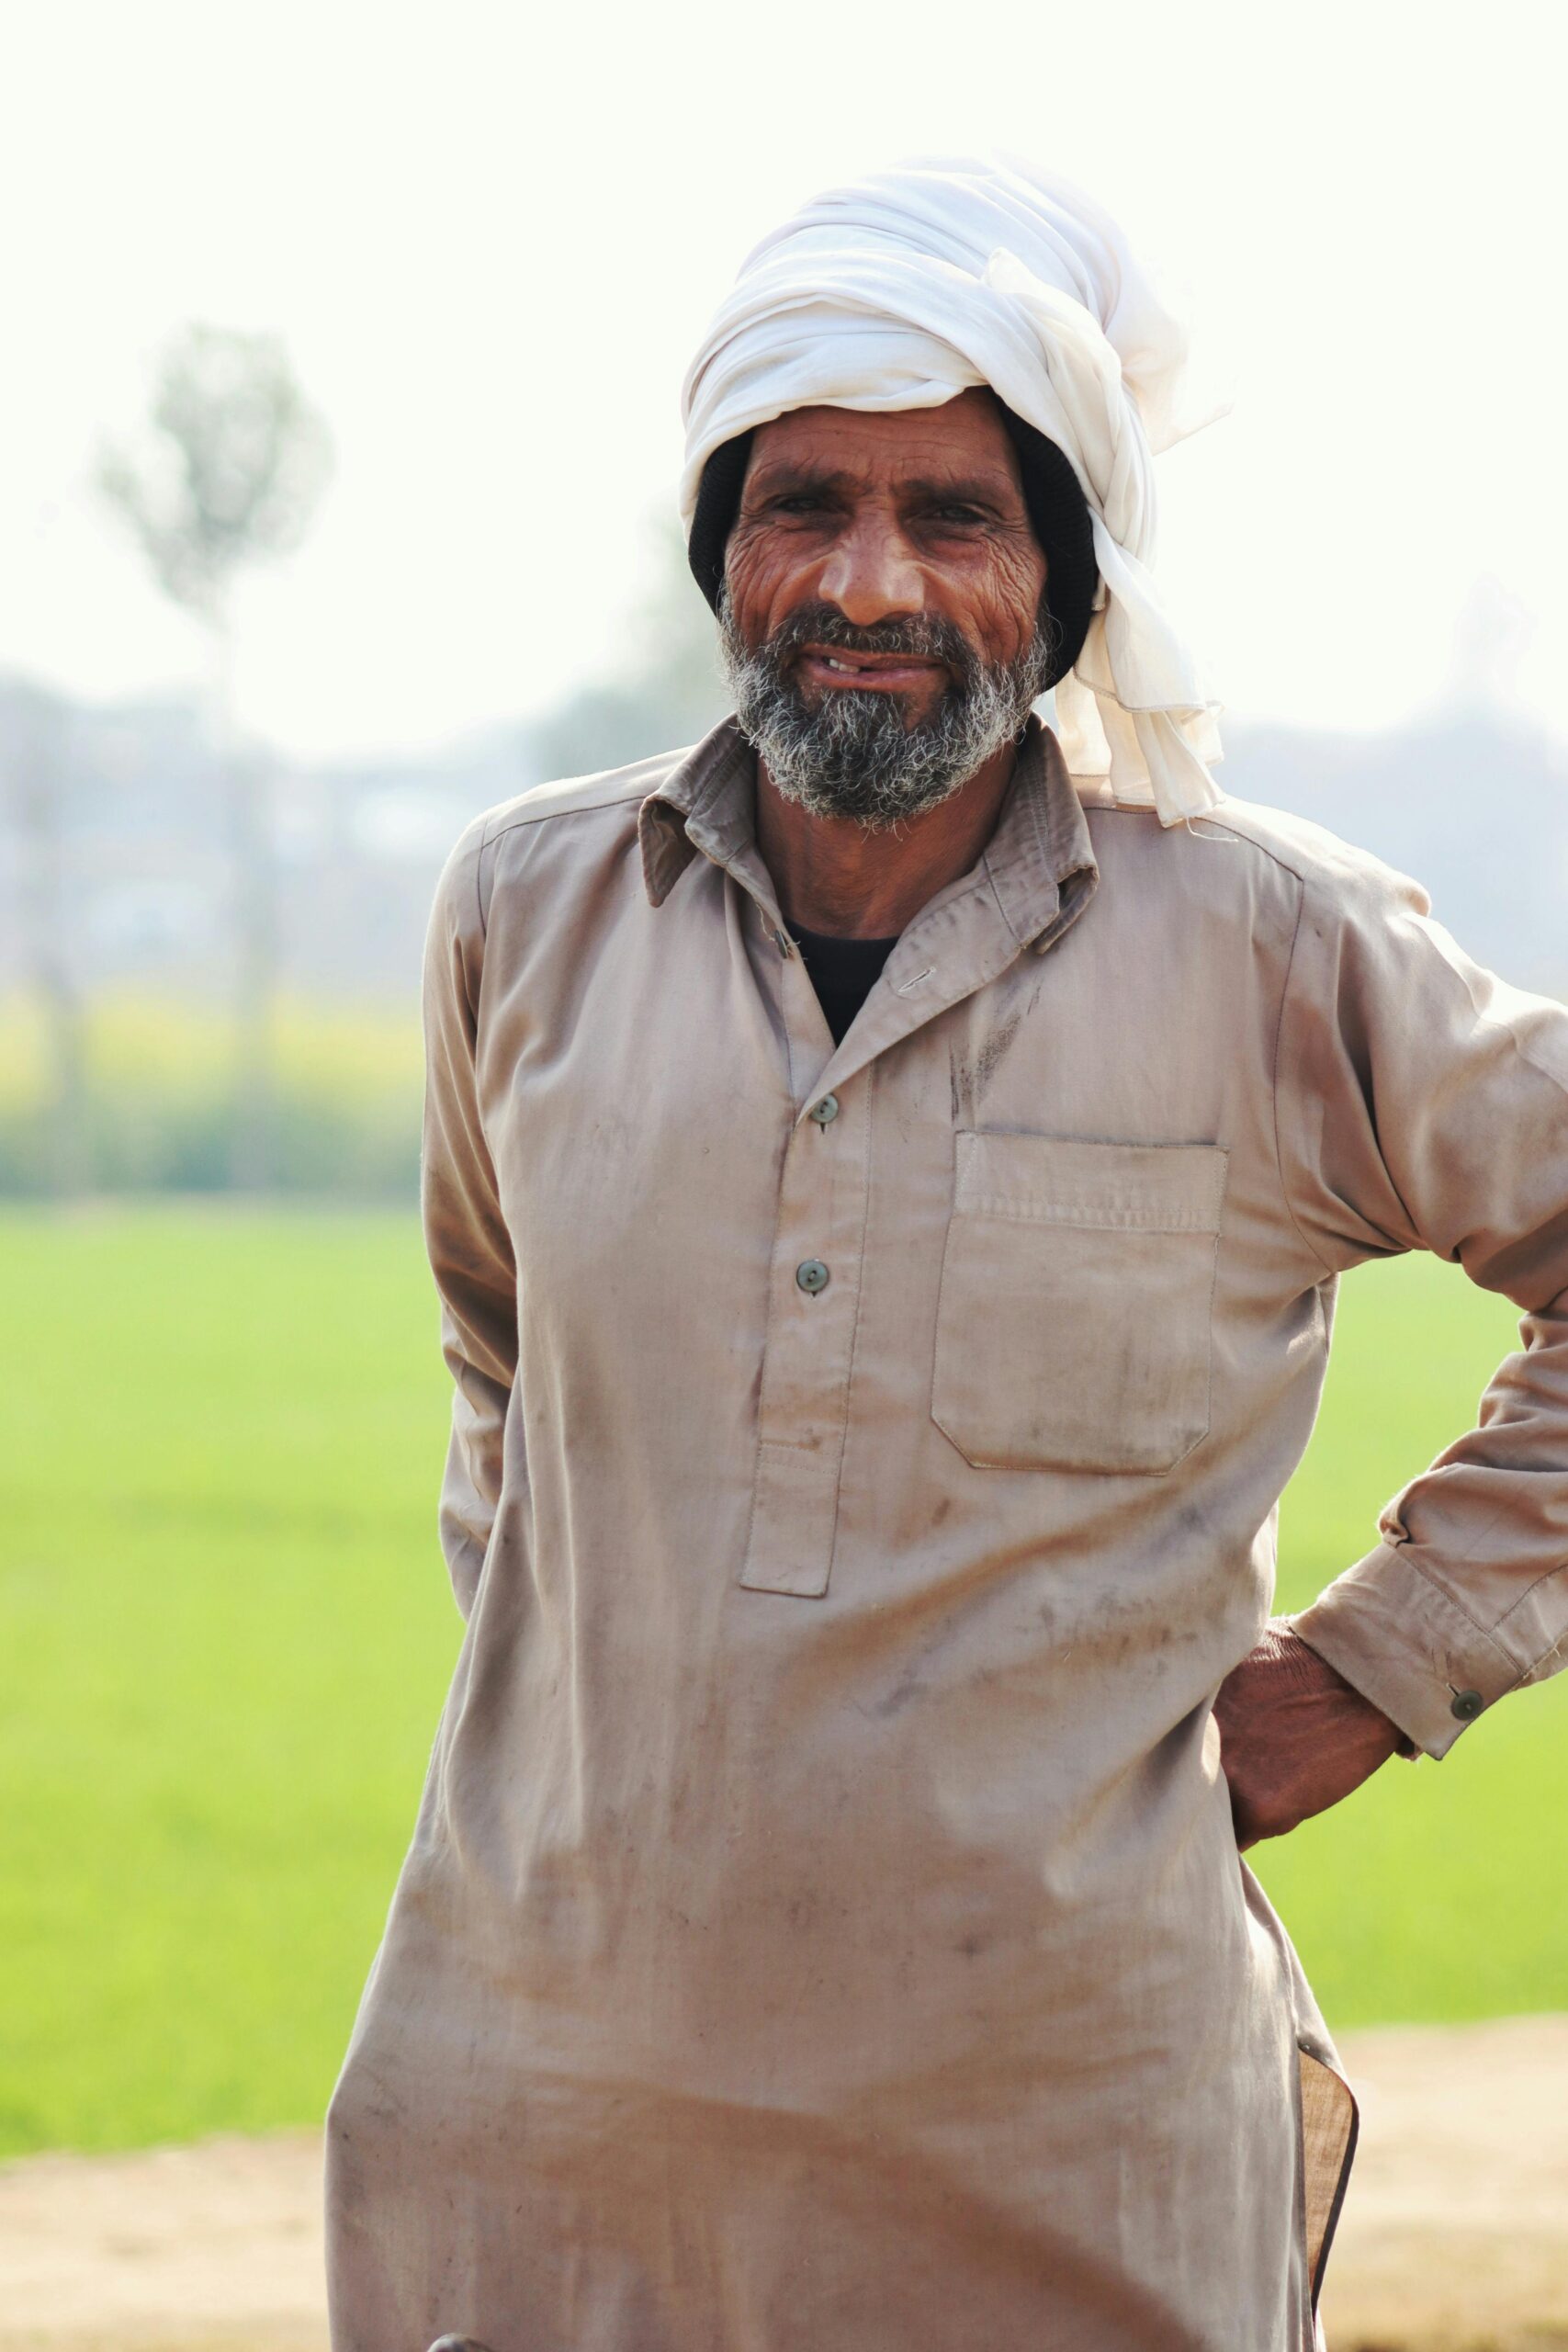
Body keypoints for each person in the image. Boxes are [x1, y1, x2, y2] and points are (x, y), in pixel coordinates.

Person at [325, 159, 1568, 2352]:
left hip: (1065, 2146)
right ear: (719, 547)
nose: (864, 579)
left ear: (1067, 580)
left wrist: (1379, 1661)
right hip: (542, 2119)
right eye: (801, 502)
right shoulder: (526, 912)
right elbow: (498, 1366)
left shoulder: (1271, 950)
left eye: (953, 517)